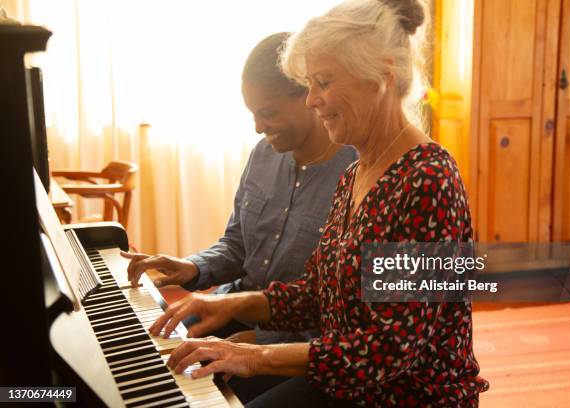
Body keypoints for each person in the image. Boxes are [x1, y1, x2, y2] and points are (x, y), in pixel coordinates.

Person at [150, 1, 489, 406]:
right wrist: (227, 303)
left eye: (323, 82)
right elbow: (317, 294)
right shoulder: (356, 173)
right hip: (348, 383)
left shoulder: (428, 179)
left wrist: (254, 356)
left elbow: (391, 348)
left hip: (404, 395)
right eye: (309, 84)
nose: (311, 100)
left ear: (381, 77)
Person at [122, 32, 357, 402]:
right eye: (253, 114)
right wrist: (192, 268)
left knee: (181, 390)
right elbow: (238, 245)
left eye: (267, 113)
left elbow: (361, 330)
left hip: (301, 342)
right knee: (140, 360)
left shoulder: (372, 175)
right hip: (248, 312)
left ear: (309, 97)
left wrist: (260, 347)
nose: (259, 127)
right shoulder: (264, 155)